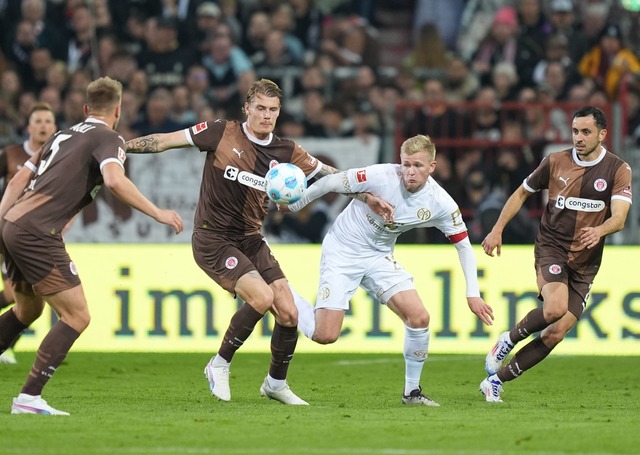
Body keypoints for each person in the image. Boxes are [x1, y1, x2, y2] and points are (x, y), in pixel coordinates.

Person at [125, 78, 393, 406]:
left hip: (251, 239)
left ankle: (275, 384)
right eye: (261, 109)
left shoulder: (286, 151)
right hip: (213, 238)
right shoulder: (220, 132)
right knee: (262, 297)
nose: (266, 116)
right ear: (247, 108)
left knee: (289, 313)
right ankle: (219, 364)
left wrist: (367, 197)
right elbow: (163, 141)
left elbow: (329, 176)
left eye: (273, 110)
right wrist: (119, 149)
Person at [0, 77, 184, 415]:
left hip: (11, 224)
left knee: (28, 311)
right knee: (77, 316)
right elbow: (114, 179)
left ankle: (28, 397)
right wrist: (157, 212)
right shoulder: (108, 137)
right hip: (38, 231)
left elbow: (17, 180)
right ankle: (28, 398)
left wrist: (1, 224)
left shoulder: (61, 134)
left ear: (85, 109)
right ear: (118, 110)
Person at [281, 134, 495, 406]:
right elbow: (330, 182)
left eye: (418, 165)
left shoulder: (440, 202)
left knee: (419, 318)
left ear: (432, 167)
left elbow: (464, 247)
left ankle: (412, 393)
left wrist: (472, 293)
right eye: (406, 164)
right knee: (326, 335)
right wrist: (295, 204)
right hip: (343, 249)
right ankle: (284, 293)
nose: (410, 172)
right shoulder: (381, 176)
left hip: (379, 255)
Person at [480, 106, 632, 403]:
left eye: (586, 132)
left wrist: (600, 231)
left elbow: (620, 218)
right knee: (554, 309)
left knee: (555, 333)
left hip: (586, 263)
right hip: (552, 247)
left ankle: (495, 381)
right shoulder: (555, 162)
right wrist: (497, 229)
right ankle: (507, 339)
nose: (578, 137)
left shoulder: (617, 169)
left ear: (602, 134)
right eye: (575, 131)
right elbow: (522, 192)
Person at [0, 103, 57, 365]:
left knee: (27, 297)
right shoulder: (10, 154)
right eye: (38, 121)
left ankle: (8, 344)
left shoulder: (59, 157)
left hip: (38, 232)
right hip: (8, 229)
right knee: (18, 296)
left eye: (48, 121)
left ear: (55, 127)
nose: (44, 125)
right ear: (29, 126)